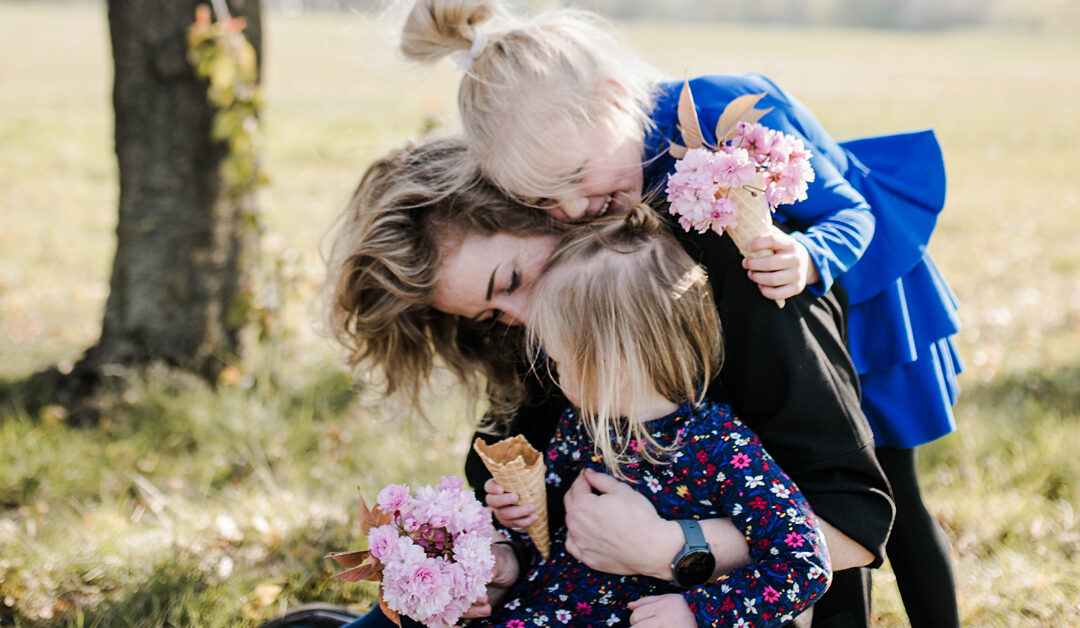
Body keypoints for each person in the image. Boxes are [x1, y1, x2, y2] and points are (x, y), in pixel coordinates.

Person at [399, 2, 961, 625]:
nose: (573, 209)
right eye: (543, 199)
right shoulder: (601, 221)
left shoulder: (724, 113)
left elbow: (852, 214)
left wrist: (803, 255)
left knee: (896, 496)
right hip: (783, 318)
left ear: (613, 99)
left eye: (575, 178)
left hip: (865, 291)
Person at [314, 137, 892, 628]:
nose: (523, 318)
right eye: (491, 315)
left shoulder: (731, 269)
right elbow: (522, 516)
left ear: (551, 206)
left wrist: (675, 548)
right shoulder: (551, 360)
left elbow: (853, 525)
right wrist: (497, 564)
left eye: (512, 278)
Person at [472, 205, 831, 627]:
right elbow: (550, 538)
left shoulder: (719, 446)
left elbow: (803, 563)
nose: (555, 373)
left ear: (613, 366)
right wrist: (515, 533)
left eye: (559, 360)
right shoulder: (580, 425)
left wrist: (698, 613)